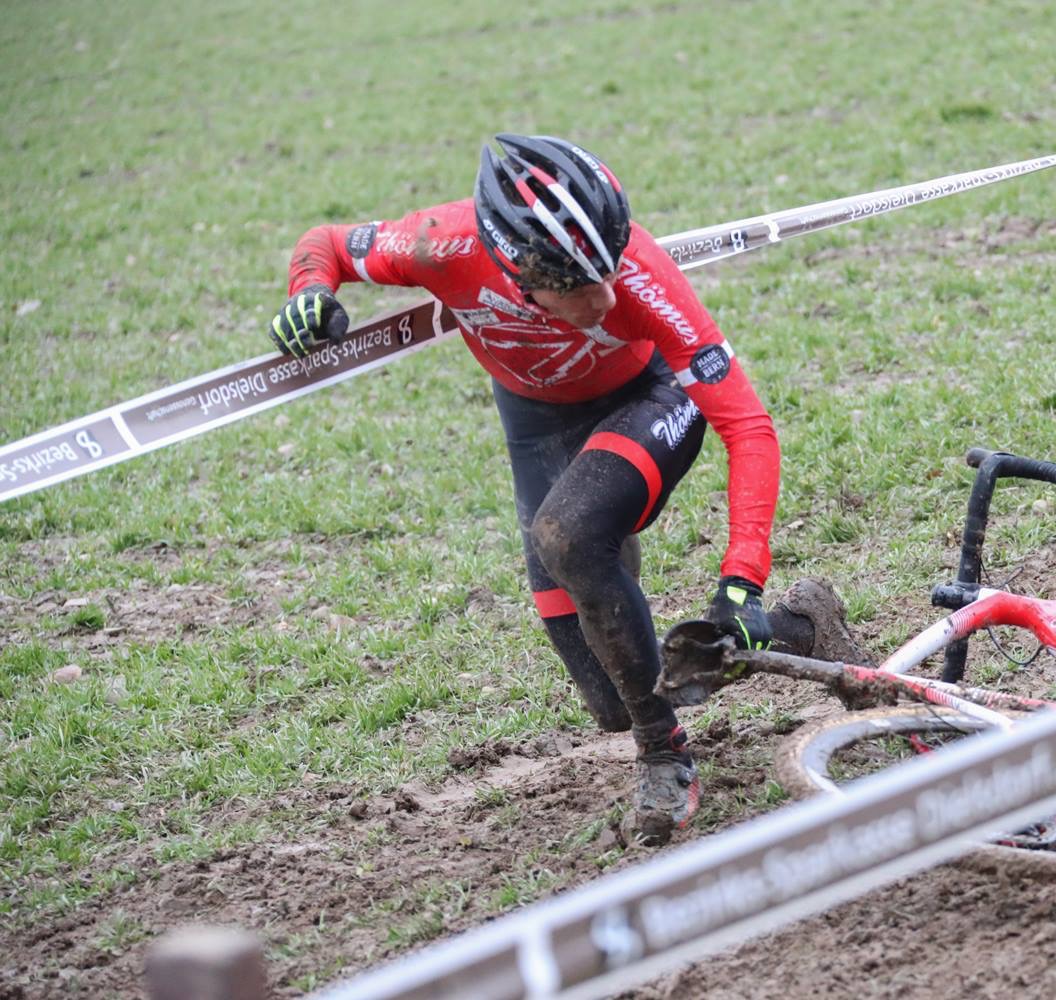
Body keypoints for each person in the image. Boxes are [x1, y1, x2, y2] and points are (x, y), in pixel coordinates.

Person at [268, 133, 856, 843]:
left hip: (649, 397)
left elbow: (748, 425)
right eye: (577, 285)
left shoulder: (640, 276)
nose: (605, 296)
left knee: (568, 534)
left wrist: (742, 580)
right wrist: (308, 293)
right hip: (538, 424)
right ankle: (803, 629)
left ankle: (664, 755)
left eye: (608, 268)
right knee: (612, 694)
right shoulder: (439, 244)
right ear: (517, 272)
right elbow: (327, 243)